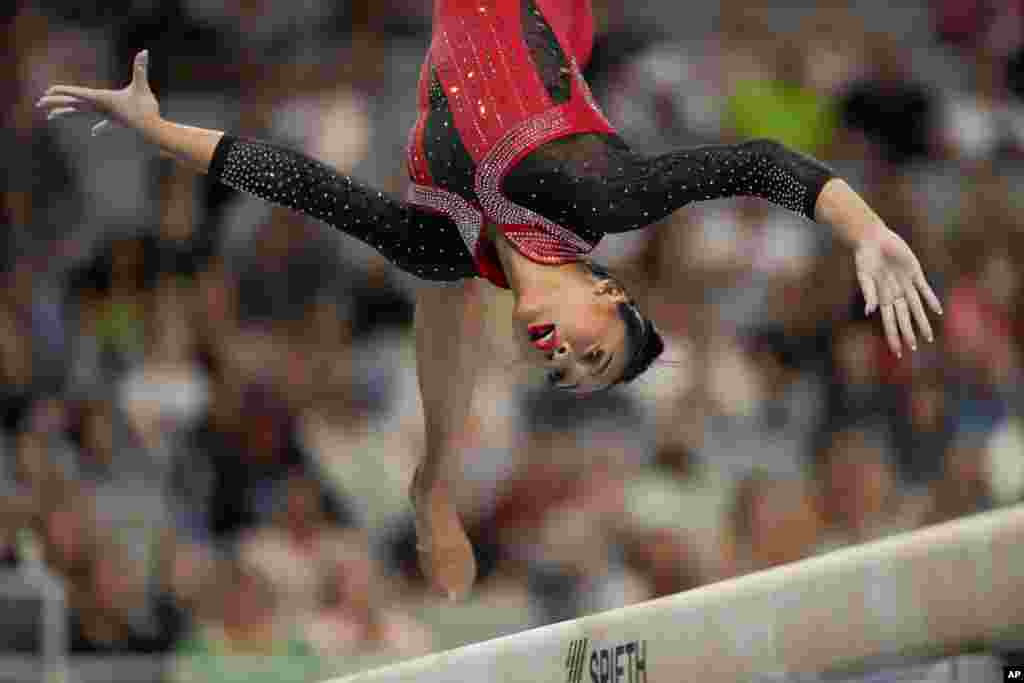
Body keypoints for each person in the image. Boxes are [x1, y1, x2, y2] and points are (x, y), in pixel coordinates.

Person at [36, 1, 941, 600]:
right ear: (603, 283)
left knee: (444, 298)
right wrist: (865, 231)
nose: (560, 355)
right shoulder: (596, 195)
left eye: (564, 372)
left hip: (501, 58)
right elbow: (757, 162)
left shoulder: (444, 246)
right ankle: (434, 485)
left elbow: (305, 185)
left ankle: (433, 484)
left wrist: (155, 131)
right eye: (592, 349)